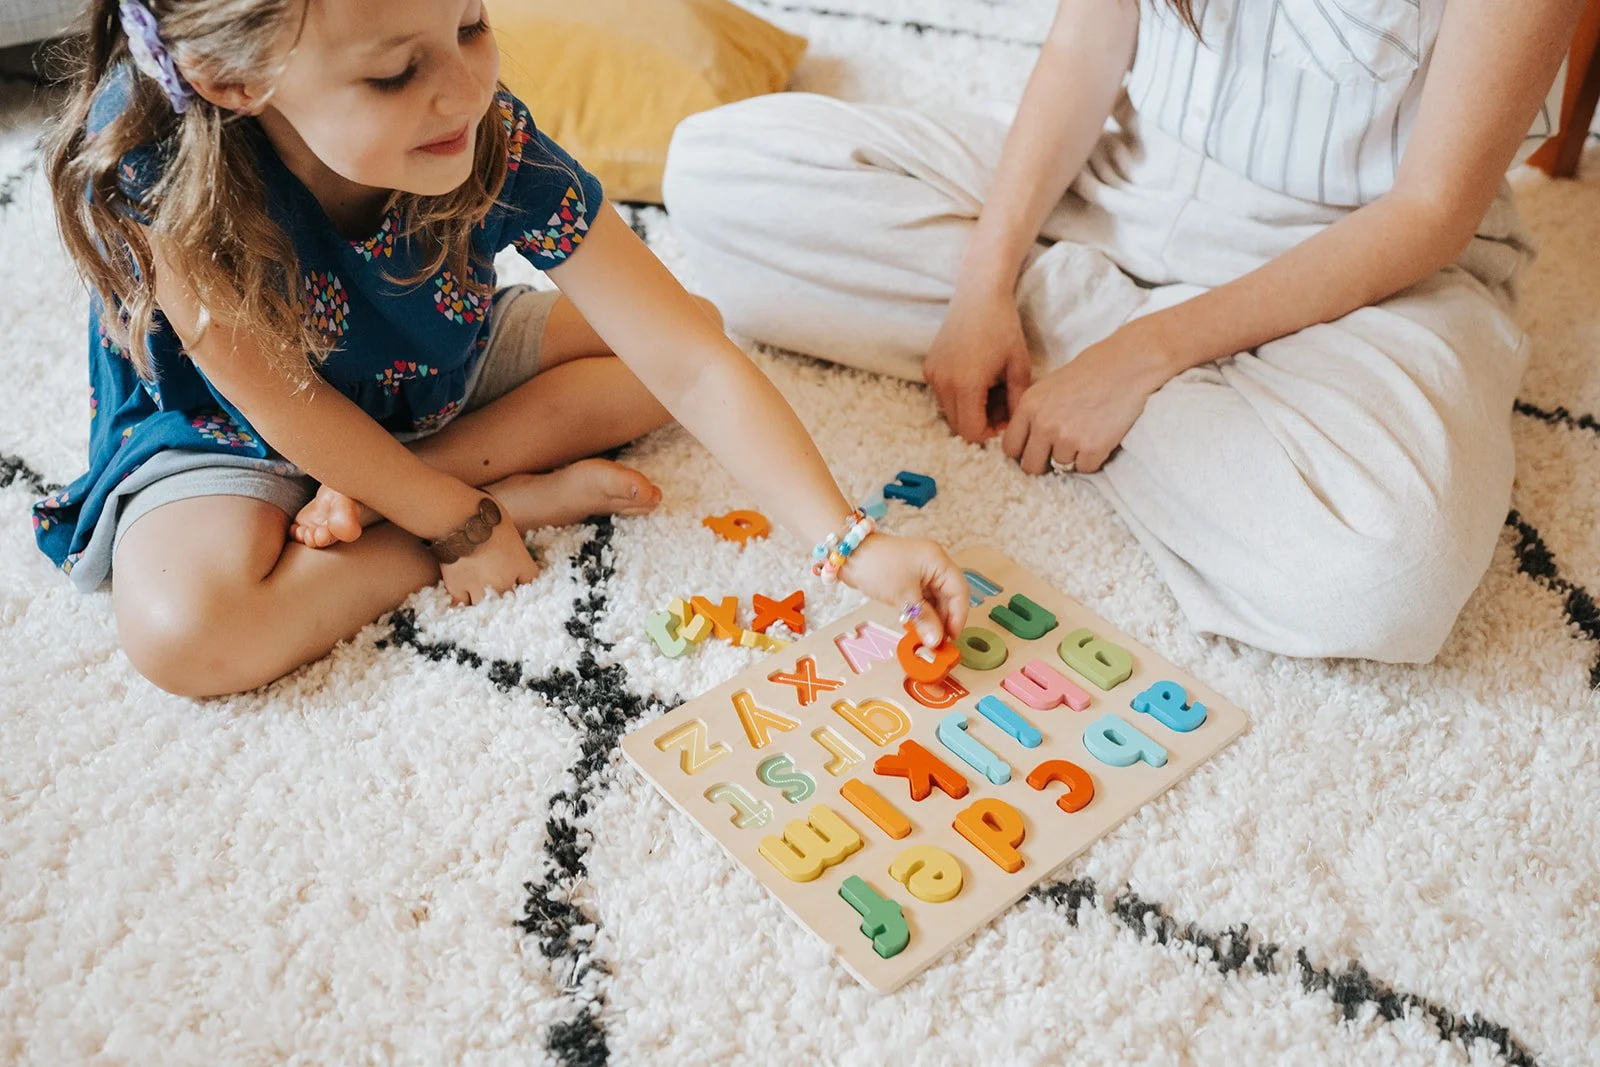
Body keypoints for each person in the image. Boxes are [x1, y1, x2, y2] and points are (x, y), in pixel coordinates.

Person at [36, 0, 969, 697]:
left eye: (473, 24)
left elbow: (686, 356)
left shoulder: (485, 128)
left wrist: (851, 545)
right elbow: (288, 406)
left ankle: (388, 484)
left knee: (687, 331)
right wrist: (463, 520)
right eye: (395, 74)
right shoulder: (150, 176)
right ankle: (491, 498)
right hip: (234, 428)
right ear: (229, 80)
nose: (467, 89)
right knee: (187, 635)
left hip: (431, 369)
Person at [663, 0, 1584, 662]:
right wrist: (985, 280)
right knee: (717, 173)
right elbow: (1085, 44)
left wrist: (1145, 351)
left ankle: (1096, 351)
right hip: (1121, 184)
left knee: (1389, 572)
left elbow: (1428, 212)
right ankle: (1083, 341)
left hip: (1364, 266)